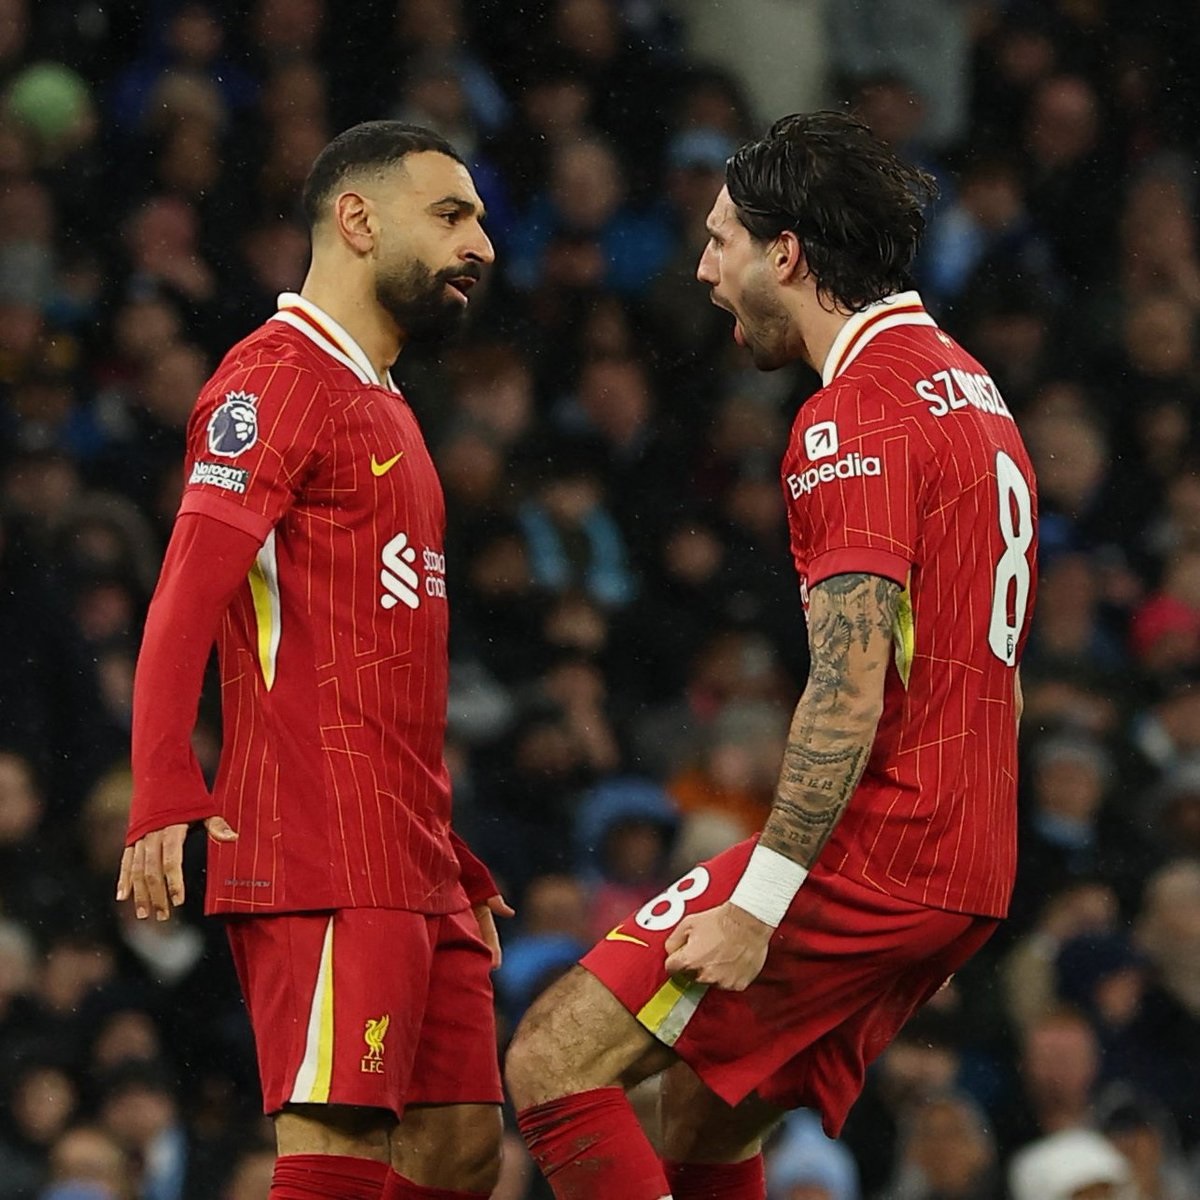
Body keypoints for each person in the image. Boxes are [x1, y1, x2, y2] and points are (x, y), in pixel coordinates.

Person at [505, 111, 1038, 1200]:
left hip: (885, 844)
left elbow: (845, 690)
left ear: (785, 253)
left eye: (720, 242)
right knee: (708, 1107)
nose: (705, 271)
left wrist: (762, 904)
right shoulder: (971, 389)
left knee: (553, 1062)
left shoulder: (852, 419)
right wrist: (945, 895)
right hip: (964, 852)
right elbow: (1000, 678)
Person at [116, 121, 510, 1200]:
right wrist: (162, 784)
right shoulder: (273, 382)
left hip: (413, 850)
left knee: (463, 1152)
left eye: (479, 219)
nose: (480, 244)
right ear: (357, 219)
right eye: (451, 215)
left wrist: (442, 845)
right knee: (339, 1147)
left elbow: (376, 651)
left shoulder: (383, 399)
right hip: (321, 841)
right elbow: (184, 596)